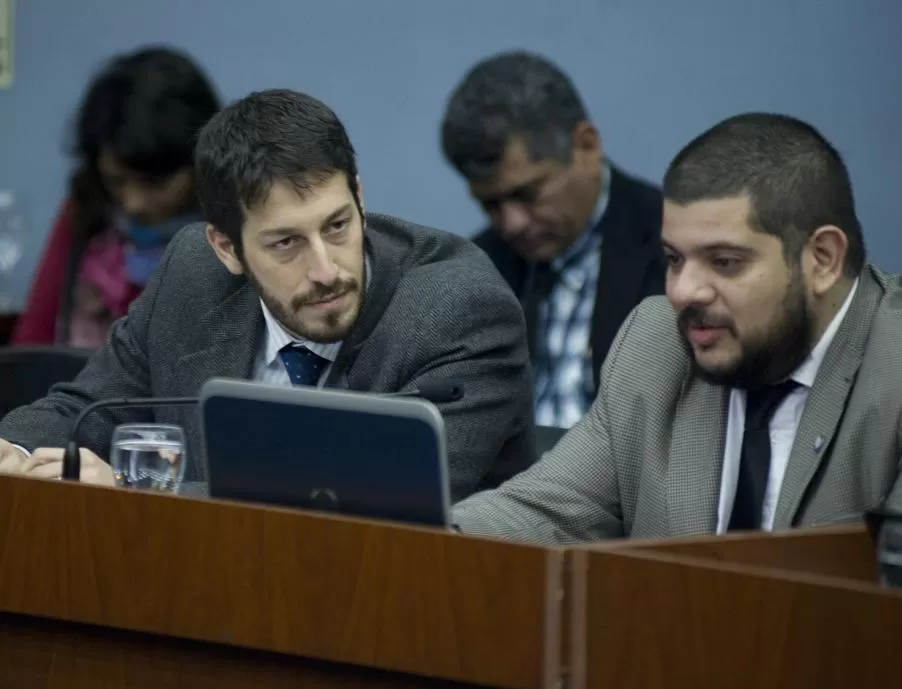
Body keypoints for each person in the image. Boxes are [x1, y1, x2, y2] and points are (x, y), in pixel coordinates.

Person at [452, 112, 902, 543]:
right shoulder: (656, 344)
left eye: (725, 262)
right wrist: (407, 544)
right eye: (674, 259)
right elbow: (541, 512)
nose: (683, 292)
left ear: (823, 259)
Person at [0, 89, 535, 501]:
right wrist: (15, 450)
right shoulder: (194, 272)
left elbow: (368, 504)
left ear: (360, 198)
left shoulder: (458, 311)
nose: (325, 270)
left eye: (337, 226)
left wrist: (135, 492)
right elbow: (90, 406)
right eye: (286, 243)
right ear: (226, 247)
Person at [440, 51, 665, 430]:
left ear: (587, 147)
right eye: (489, 204)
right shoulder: (474, 269)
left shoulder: (675, 247)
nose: (511, 224)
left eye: (527, 194)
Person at [12, 46, 220, 348]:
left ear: (198, 163)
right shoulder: (86, 212)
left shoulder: (235, 231)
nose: (133, 202)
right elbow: (33, 343)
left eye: (155, 183)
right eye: (117, 180)